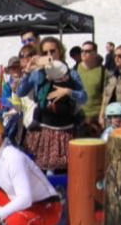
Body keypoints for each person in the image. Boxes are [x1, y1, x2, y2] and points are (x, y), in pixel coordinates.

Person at [17, 36, 85, 173]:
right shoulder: (37, 73)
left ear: (60, 51)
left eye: (52, 51)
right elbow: (20, 92)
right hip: (43, 130)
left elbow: (84, 98)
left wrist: (68, 91)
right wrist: (27, 72)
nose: (49, 55)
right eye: (45, 52)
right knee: (41, 175)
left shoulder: (72, 74)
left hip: (66, 131)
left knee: (65, 174)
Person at [75, 41, 106, 137]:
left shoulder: (103, 71)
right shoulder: (75, 69)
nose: (83, 53)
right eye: (82, 51)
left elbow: (105, 95)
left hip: (95, 116)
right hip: (79, 115)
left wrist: (102, 115)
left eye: (87, 51)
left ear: (95, 53)